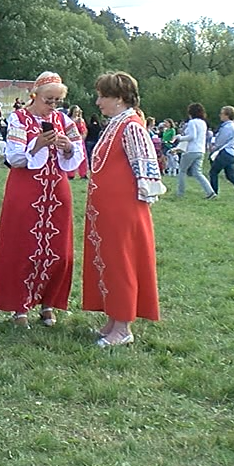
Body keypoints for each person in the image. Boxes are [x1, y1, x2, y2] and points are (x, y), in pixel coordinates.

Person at [0, 72, 84, 328]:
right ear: (35, 96)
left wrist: (67, 147)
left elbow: (78, 151)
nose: (51, 105)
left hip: (56, 190)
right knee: (23, 245)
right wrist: (38, 144)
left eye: (56, 101)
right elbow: (15, 157)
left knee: (57, 250)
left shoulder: (64, 120)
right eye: (47, 100)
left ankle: (48, 303)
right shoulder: (18, 119)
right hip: (26, 189)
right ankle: (19, 307)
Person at [83, 72, 164, 347]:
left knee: (122, 262)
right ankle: (114, 317)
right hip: (106, 209)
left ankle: (124, 326)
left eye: (103, 96)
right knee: (107, 259)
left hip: (124, 209)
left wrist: (144, 193)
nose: (98, 101)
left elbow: (144, 164)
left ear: (119, 98)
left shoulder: (131, 125)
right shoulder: (115, 124)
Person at [207, 106, 234, 199]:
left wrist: (214, 146)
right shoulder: (231, 126)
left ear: (227, 115)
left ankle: (213, 193)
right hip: (232, 154)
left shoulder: (227, 127)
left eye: (222, 113)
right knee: (230, 175)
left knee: (213, 172)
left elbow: (220, 141)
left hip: (225, 153)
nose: (220, 115)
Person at [173, 103, 215, 198]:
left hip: (191, 150)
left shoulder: (192, 122)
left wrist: (180, 137)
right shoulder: (203, 123)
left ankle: (180, 193)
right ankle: (210, 191)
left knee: (182, 171)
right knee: (197, 173)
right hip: (200, 150)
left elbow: (192, 136)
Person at [68, 105, 88, 179]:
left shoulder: (81, 120)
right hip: (71, 140)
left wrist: (83, 137)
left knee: (82, 156)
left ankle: (83, 173)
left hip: (80, 140)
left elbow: (84, 130)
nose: (76, 113)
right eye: (75, 112)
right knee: (71, 156)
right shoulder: (69, 120)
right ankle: (70, 174)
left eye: (77, 112)